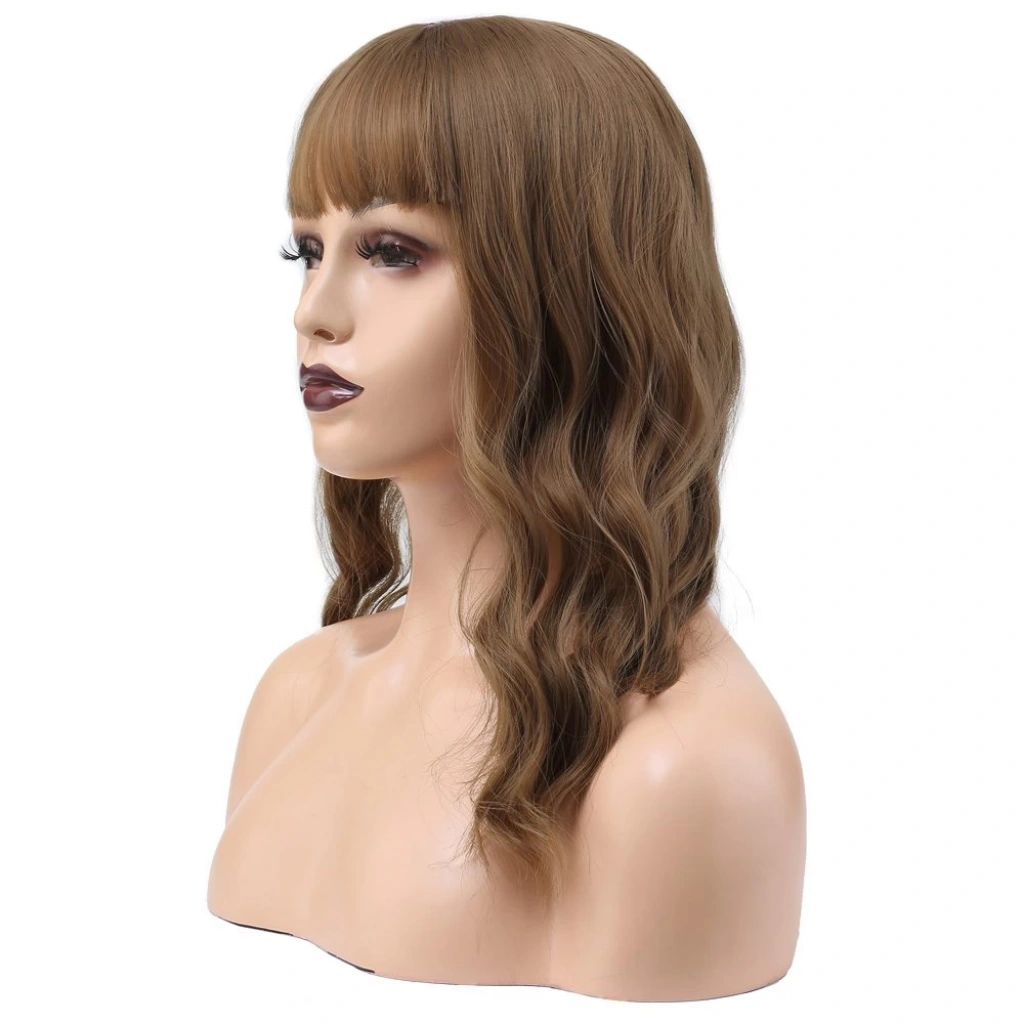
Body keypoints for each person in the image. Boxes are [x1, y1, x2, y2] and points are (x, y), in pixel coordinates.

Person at [207, 14, 806, 1001]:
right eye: (306, 248)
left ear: (573, 287)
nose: (314, 310)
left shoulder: (682, 772)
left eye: (391, 251)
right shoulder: (298, 695)